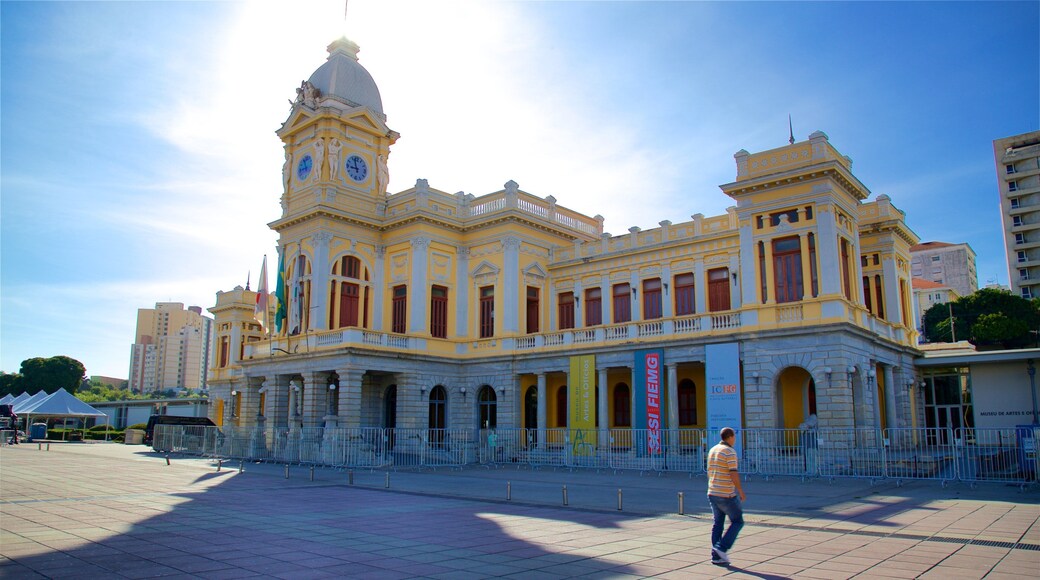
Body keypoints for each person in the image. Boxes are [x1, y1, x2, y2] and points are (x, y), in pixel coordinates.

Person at [707, 426, 744, 566]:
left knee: (718, 524)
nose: (735, 439)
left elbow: (709, 471)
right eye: (734, 436)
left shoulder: (713, 450)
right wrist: (740, 490)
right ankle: (721, 548)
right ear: (730, 437)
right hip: (725, 493)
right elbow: (733, 473)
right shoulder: (730, 452)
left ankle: (716, 556)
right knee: (738, 521)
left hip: (712, 491)